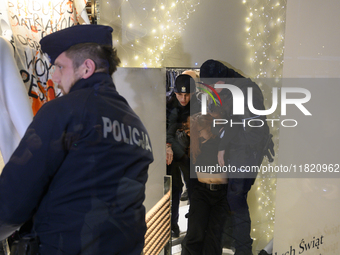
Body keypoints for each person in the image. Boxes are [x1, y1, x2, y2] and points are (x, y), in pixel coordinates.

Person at [0, 24, 154, 255]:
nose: (54, 76)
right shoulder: (135, 123)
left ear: (87, 68)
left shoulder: (64, 112)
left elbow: (14, 196)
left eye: (60, 67)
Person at [200, 59, 274, 255]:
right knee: (228, 197)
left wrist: (224, 142)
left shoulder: (245, 92)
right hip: (238, 152)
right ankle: (231, 242)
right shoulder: (228, 89)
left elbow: (254, 133)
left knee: (235, 197)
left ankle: (243, 250)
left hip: (247, 153)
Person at [181, 113, 229, 255]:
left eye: (200, 131)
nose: (198, 134)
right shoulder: (195, 146)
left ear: (209, 128)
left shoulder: (221, 144)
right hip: (201, 192)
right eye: (195, 132)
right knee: (195, 234)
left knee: (214, 237)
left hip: (220, 194)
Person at [166, 74, 200, 237]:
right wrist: (167, 146)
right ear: (175, 92)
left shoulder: (199, 105)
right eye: (180, 94)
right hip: (171, 154)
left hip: (190, 154)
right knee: (174, 189)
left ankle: (194, 224)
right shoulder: (167, 105)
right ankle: (172, 225)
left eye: (187, 94)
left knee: (194, 189)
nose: (183, 98)